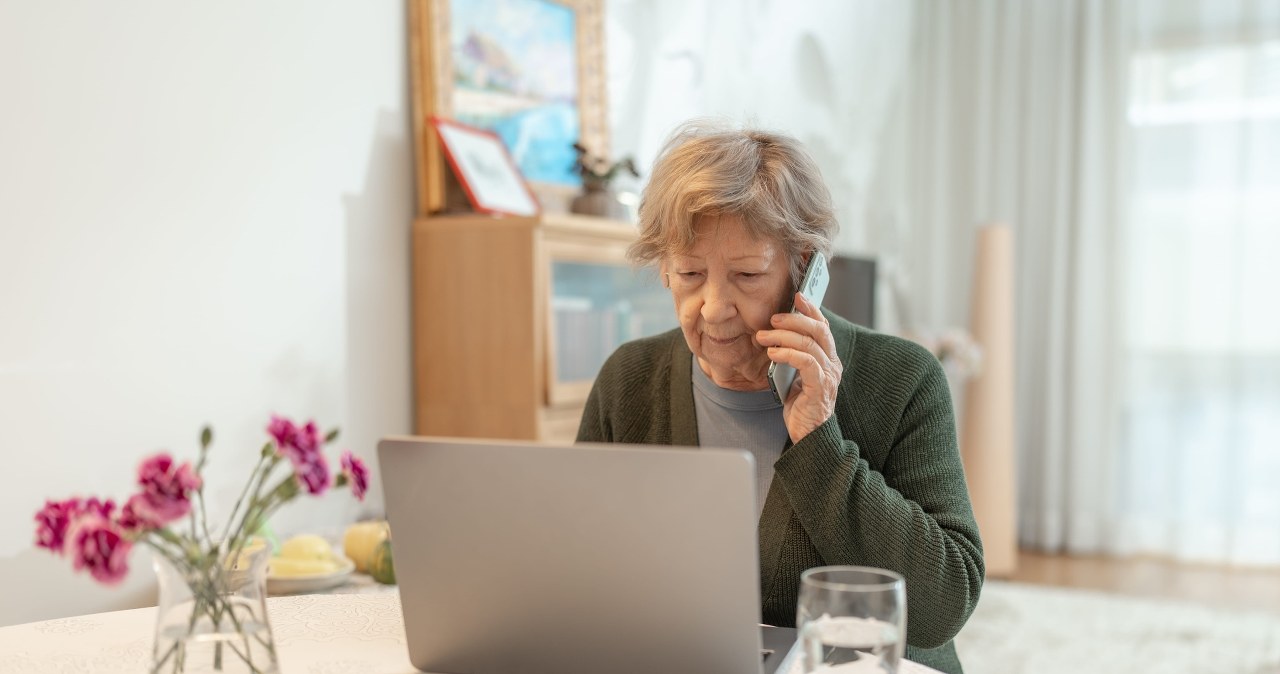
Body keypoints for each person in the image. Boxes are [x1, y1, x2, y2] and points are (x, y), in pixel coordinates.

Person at [576, 121, 984, 674]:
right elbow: (582, 569)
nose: (713, 307)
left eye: (746, 275)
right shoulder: (629, 379)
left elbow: (943, 605)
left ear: (804, 270)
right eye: (689, 273)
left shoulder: (904, 378)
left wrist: (818, 441)